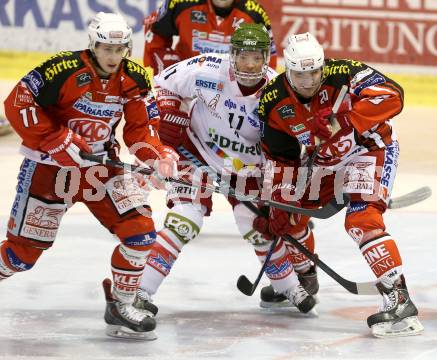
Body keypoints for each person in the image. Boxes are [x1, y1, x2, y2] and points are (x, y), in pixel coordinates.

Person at [0, 12, 179, 340]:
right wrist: (55, 138)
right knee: (21, 255)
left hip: (100, 170)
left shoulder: (135, 78)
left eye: (119, 49)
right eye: (106, 49)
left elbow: (141, 128)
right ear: (93, 45)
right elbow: (18, 102)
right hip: (50, 170)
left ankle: (121, 303)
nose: (113, 56)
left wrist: (158, 156)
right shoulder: (62, 68)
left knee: (140, 232)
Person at [133, 23, 317, 319]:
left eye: (257, 57)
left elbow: (289, 145)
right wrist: (169, 118)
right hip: (196, 154)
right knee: (184, 219)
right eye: (243, 56)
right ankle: (140, 292)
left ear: (266, 58)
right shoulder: (206, 69)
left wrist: (281, 184)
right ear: (232, 55)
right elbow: (164, 84)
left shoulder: (277, 93)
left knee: (255, 225)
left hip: (247, 171)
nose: (249, 64)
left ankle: (290, 287)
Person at [256, 32, 424, 337]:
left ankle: (399, 300)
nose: (308, 81)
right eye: (299, 74)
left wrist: (345, 121)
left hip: (369, 149)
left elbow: (393, 95)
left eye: (313, 73)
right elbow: (280, 157)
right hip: (326, 161)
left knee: (362, 219)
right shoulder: (273, 101)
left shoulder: (344, 72)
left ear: (323, 66)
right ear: (287, 70)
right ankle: (304, 279)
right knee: (288, 216)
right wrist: (280, 197)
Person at [143, 0, 277, 75]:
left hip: (232, 84)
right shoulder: (180, 3)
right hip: (186, 80)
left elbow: (269, 55)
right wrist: (167, 68)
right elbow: (154, 30)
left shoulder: (255, 13)